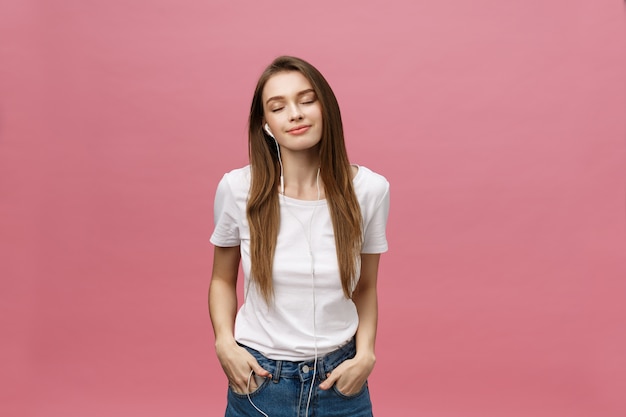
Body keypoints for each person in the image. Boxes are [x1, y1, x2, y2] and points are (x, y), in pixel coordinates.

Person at [208, 56, 390, 417]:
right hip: (260, 383)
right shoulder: (238, 189)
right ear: (267, 125)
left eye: (306, 100)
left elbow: (365, 287)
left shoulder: (370, 191)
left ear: (327, 107)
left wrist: (366, 353)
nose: (295, 113)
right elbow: (221, 279)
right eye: (278, 107)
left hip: (340, 383)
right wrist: (224, 344)